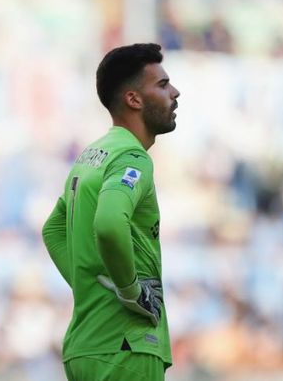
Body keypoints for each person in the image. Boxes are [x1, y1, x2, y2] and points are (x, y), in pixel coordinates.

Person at [42, 43, 180, 380]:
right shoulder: (132, 158)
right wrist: (130, 290)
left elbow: (53, 229)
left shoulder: (92, 155)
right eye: (162, 85)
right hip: (127, 345)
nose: (175, 93)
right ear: (134, 100)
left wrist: (91, 286)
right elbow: (108, 223)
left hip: (86, 345)